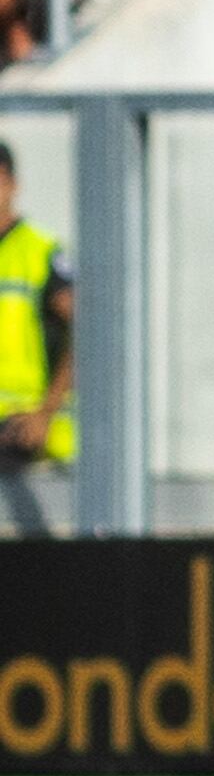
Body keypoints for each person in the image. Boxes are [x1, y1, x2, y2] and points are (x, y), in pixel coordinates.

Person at [0, 139, 70, 539]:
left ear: (12, 184)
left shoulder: (39, 251)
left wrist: (45, 412)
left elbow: (86, 330)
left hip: (18, 429)